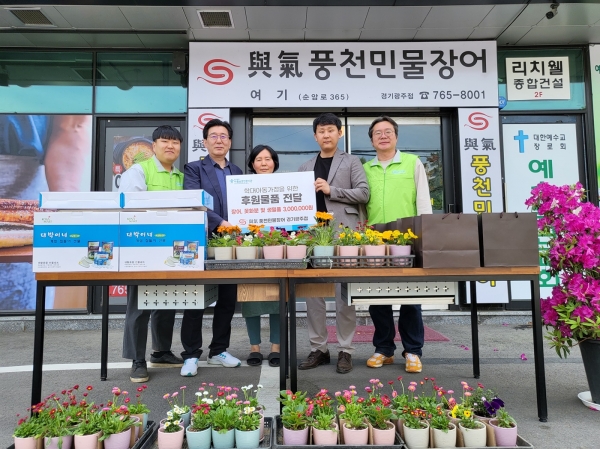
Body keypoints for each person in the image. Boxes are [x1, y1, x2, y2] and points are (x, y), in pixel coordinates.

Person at [297, 112, 369, 374]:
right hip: (313, 236)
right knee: (312, 295)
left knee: (343, 295)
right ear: (315, 136)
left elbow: (363, 193)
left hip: (343, 234)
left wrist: (332, 190)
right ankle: (319, 348)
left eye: (330, 130)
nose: (326, 135)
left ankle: (345, 350)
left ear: (340, 133)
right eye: (321, 131)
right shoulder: (305, 167)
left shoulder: (351, 161)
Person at [363, 116, 433, 373]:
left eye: (388, 131)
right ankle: (383, 349)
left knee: (411, 297)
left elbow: (423, 200)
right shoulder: (366, 168)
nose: (383, 136)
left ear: (396, 136)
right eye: (378, 133)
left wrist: (426, 234)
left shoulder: (412, 162)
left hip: (408, 238)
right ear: (372, 140)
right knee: (377, 297)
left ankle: (413, 351)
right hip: (375, 239)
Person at [119, 125, 185, 383]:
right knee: (139, 305)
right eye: (165, 141)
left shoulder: (180, 176)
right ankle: (137, 359)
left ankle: (161, 351)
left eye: (175, 142)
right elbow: (130, 208)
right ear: (154, 145)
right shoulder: (139, 170)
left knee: (166, 300)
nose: (170, 146)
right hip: (143, 247)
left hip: (171, 249)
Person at [179, 118, 243, 377]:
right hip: (203, 241)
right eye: (213, 136)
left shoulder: (237, 171)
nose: (219, 140)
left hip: (232, 243)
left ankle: (218, 351)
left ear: (230, 142)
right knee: (196, 299)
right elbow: (195, 203)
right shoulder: (194, 169)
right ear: (204, 142)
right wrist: (222, 223)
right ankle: (191, 354)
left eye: (223, 136)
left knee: (227, 300)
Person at [243, 144, 281, 367]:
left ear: (274, 162)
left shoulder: (285, 185)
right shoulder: (242, 187)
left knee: (278, 297)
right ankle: (254, 348)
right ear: (252, 164)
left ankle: (276, 347)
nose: (264, 163)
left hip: (279, 245)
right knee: (251, 297)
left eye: (268, 159)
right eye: (259, 159)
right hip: (250, 247)